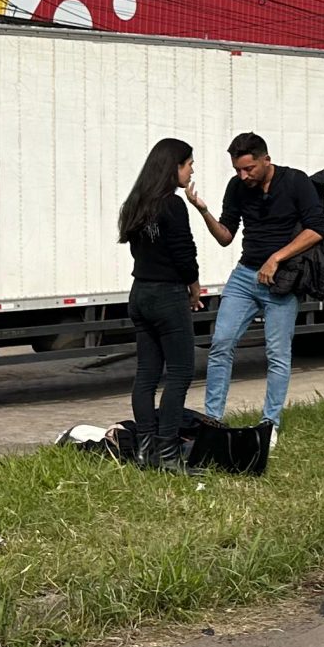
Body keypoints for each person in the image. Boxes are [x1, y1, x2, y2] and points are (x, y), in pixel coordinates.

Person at [196, 131, 324, 430]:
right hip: (245, 276)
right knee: (221, 343)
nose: (243, 176)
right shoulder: (237, 187)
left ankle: (270, 425)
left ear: (266, 159)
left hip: (282, 281)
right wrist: (204, 211)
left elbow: (316, 230)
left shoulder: (295, 181)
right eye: (237, 170)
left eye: (248, 168)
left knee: (277, 354)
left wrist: (276, 258)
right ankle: (212, 421)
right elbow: (226, 237)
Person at [120, 137, 205, 472]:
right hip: (167, 295)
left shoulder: (135, 203)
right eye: (189, 164)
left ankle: (145, 451)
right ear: (174, 167)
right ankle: (168, 454)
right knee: (181, 372)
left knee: (146, 374)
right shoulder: (172, 205)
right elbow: (184, 253)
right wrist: (194, 287)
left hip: (139, 292)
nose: (191, 170)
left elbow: (139, 250)